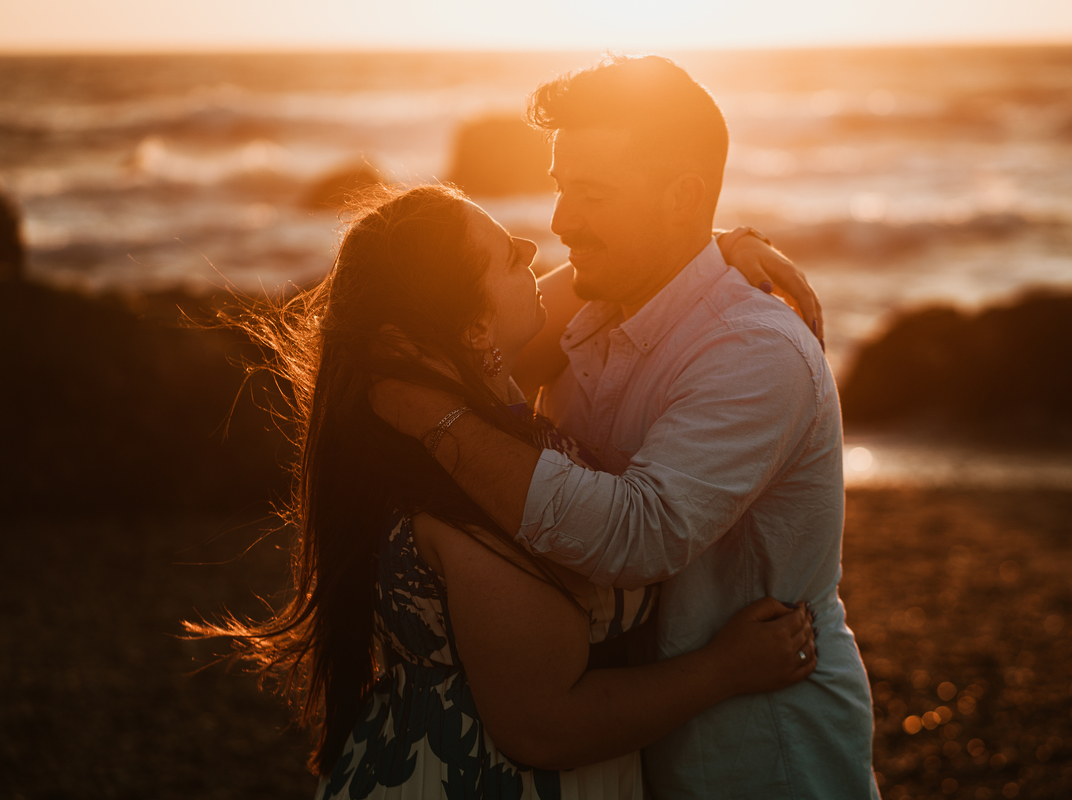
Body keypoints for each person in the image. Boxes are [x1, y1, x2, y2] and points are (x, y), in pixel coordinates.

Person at [188, 183, 822, 800]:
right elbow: (544, 727)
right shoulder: (474, 488)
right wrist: (725, 670)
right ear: (469, 331)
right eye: (506, 257)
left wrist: (717, 246)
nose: (531, 244)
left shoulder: (456, 409)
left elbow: (623, 268)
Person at [374, 55, 879, 799]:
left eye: (593, 194)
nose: (560, 221)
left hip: (758, 749)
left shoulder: (754, 352)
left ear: (682, 199)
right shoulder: (595, 302)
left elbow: (636, 536)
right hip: (625, 744)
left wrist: (434, 417)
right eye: (562, 188)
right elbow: (460, 334)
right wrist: (715, 244)